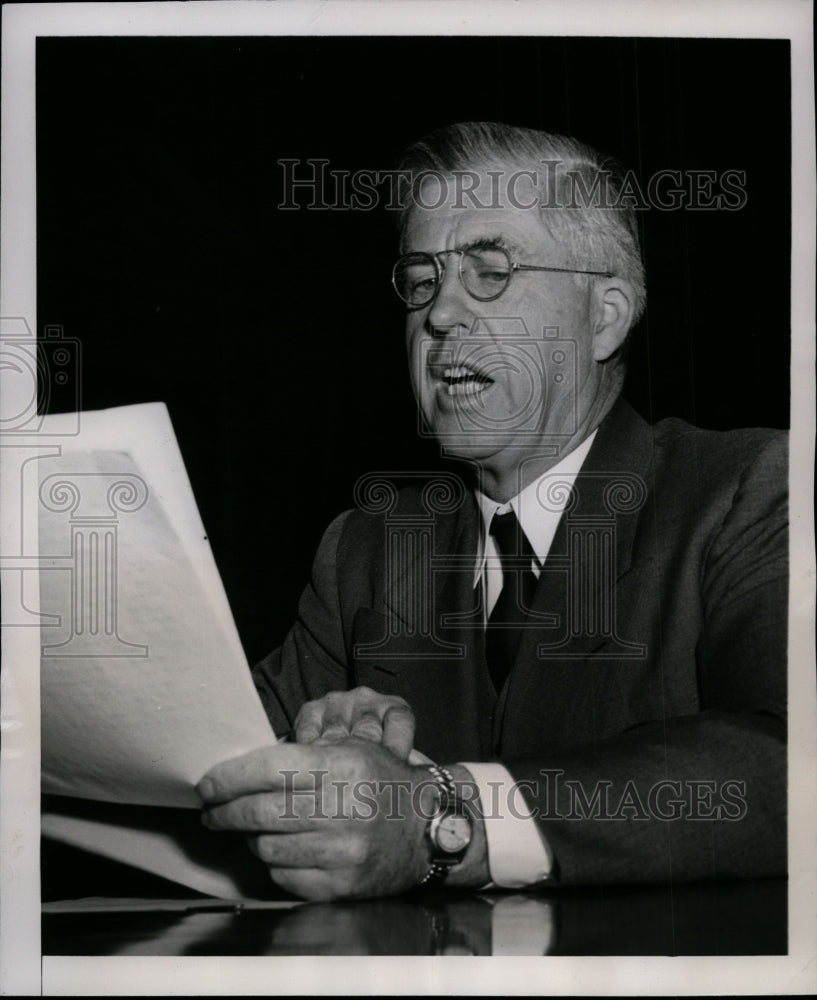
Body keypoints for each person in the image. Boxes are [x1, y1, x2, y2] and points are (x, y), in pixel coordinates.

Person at [197, 122, 787, 901]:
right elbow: (210, 771)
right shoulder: (366, 550)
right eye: (420, 280)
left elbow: (788, 763)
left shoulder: (749, 489)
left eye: (490, 272)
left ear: (604, 316)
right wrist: (312, 762)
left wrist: (446, 817)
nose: (439, 316)